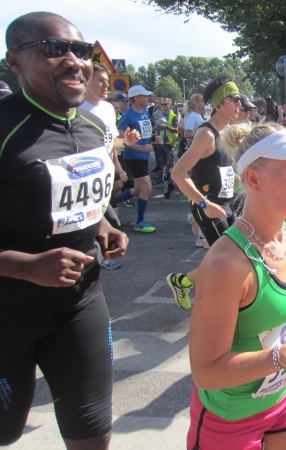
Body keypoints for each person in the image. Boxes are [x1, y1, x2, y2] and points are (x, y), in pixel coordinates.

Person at [0, 11, 128, 448]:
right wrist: (26, 266)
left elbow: (75, 197)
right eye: (54, 49)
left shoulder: (92, 129)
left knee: (93, 432)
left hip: (80, 303)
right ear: (15, 61)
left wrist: (104, 224)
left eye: (82, 50)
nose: (74, 61)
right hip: (7, 313)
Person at [185, 122, 286, 450]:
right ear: (254, 179)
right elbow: (205, 372)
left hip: (284, 398)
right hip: (229, 418)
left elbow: (271, 297)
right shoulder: (226, 264)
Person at [166, 75, 241, 309]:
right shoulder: (206, 134)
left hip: (227, 203)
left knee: (232, 257)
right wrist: (203, 204)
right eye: (234, 99)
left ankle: (182, 281)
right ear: (220, 103)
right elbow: (178, 172)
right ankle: (220, 309)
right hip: (208, 205)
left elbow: (224, 168)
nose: (239, 104)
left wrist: (245, 183)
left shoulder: (227, 131)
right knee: (227, 261)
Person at [80, 62, 140, 269]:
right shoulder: (76, 109)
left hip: (104, 178)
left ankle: (101, 257)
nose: (106, 85)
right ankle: (93, 260)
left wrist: (126, 144)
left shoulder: (107, 109)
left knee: (113, 222)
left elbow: (111, 143)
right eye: (100, 80)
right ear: (86, 82)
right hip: (85, 178)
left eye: (107, 81)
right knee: (93, 223)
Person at [114, 84, 157, 232]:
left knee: (137, 190)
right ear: (136, 98)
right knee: (147, 188)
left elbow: (145, 131)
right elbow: (120, 139)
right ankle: (140, 222)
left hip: (143, 156)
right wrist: (139, 147)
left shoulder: (144, 111)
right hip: (133, 157)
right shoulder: (127, 116)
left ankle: (110, 203)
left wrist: (153, 138)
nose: (148, 98)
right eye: (145, 96)